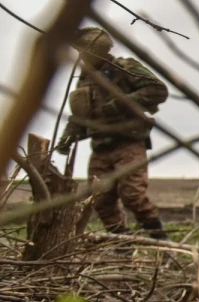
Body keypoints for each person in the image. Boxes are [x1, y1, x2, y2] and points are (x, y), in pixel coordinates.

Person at [54, 28, 170, 240]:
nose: (80, 56)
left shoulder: (125, 68)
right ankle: (122, 245)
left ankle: (159, 240)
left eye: (83, 51)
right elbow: (81, 116)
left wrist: (121, 103)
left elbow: (158, 90)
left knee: (132, 195)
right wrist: (67, 138)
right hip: (100, 147)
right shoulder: (85, 79)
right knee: (100, 201)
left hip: (129, 143)